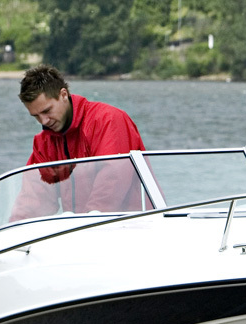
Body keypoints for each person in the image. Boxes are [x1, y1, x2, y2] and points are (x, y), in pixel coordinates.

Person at [11, 65, 147, 219]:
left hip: (133, 224)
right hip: (86, 226)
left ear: (63, 95)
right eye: (36, 116)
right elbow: (33, 197)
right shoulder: (44, 143)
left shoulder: (108, 120)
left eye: (47, 111)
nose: (43, 121)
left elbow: (113, 178)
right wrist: (15, 225)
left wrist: (89, 220)